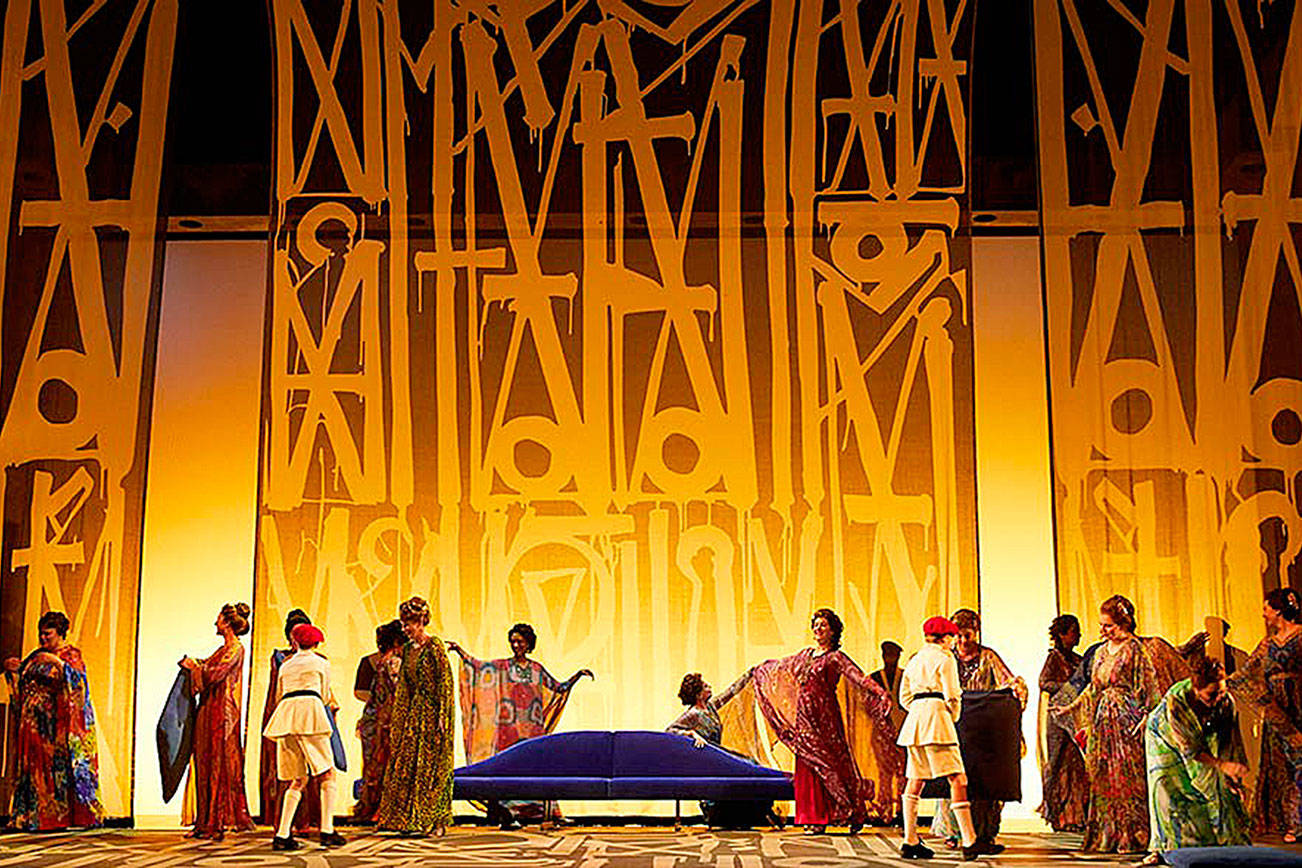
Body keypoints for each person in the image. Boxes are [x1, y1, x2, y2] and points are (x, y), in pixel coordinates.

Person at [1053, 594, 1188, 853]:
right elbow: (1093, 688)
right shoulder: (1101, 651)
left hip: (1127, 720)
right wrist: (1072, 708)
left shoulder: (1135, 649)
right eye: (1101, 625)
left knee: (1128, 778)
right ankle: (1109, 835)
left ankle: (1133, 835)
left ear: (1123, 623)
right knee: (1104, 777)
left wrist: (1147, 716)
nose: (1103, 630)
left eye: (1108, 625)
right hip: (1103, 723)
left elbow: (1149, 684)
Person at [749, 607, 897, 832]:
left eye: (823, 625)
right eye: (815, 625)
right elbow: (780, 668)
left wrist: (880, 692)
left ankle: (846, 812)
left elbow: (858, 677)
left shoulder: (836, 657)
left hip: (826, 718)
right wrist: (760, 671)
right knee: (808, 764)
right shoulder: (805, 655)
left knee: (832, 763)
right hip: (804, 717)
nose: (818, 628)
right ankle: (811, 817)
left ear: (833, 631)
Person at [448, 623, 594, 827]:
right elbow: (478, 667)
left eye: (520, 642)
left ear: (529, 644)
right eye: (513, 642)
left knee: (538, 768)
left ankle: (548, 813)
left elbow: (558, 688)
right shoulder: (503, 667)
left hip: (532, 728)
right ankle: (508, 814)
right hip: (508, 727)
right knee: (508, 768)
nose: (516, 645)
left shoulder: (536, 669)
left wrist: (577, 676)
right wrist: (460, 652)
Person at [931, 609, 1026, 852]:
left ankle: (984, 832)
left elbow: (1007, 681)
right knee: (951, 777)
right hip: (954, 726)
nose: (963, 641)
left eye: (968, 635)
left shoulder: (988, 657)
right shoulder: (946, 657)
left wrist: (1017, 689)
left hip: (982, 729)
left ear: (976, 633)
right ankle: (953, 831)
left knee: (985, 782)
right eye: (959, 636)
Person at [1141, 656, 1250, 864]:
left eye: (1221, 692)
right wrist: (1221, 765)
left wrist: (1231, 775)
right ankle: (1163, 848)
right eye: (1211, 694)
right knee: (1167, 789)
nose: (1218, 698)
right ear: (1196, 689)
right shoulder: (1177, 701)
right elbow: (1191, 750)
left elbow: (1228, 741)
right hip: (1163, 738)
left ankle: (1220, 844)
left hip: (1199, 739)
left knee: (1221, 788)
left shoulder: (1226, 701)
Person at [2, 611, 103, 831]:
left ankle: (55, 817)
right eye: (41, 634)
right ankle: (29, 817)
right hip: (32, 723)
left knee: (53, 769)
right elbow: (24, 676)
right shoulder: (37, 655)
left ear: (60, 633)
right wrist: (14, 669)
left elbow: (79, 684)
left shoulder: (70, 655)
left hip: (55, 725)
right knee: (32, 769)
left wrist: (57, 662)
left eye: (48, 634)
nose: (43, 638)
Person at [896, 616, 980, 861]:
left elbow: (904, 697)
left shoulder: (914, 660)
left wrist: (919, 710)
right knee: (957, 778)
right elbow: (953, 693)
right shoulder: (945, 658)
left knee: (915, 780)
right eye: (952, 637)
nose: (954, 642)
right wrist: (950, 714)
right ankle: (969, 840)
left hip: (915, 723)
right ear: (945, 638)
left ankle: (910, 840)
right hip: (937, 719)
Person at [1227, 587, 1302, 841]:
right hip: (1276, 712)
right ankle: (1292, 823)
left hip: (1299, 706)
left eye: (1266, 609)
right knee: (1281, 767)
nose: (1263, 614)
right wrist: (1219, 681)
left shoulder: (1301, 637)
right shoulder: (1267, 645)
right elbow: (1244, 674)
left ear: (1278, 611)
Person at [376, 596, 455, 836]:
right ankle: (409, 819)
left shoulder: (435, 646)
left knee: (432, 767)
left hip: (433, 713)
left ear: (421, 622)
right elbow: (404, 686)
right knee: (409, 766)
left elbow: (445, 683)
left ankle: (436, 820)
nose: (405, 628)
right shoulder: (409, 649)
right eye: (403, 624)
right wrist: (399, 718)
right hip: (413, 715)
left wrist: (443, 716)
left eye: (409, 623)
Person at [263, 623, 345, 851]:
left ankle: (282, 834)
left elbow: (279, 694)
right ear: (316, 643)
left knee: (297, 779)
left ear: (295, 642)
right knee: (327, 772)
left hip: (287, 715)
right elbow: (325, 694)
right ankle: (327, 830)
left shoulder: (286, 665)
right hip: (310, 712)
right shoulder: (321, 663)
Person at [179, 602, 256, 840]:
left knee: (218, 763)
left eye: (219, 619)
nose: (216, 623)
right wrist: (195, 663)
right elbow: (208, 665)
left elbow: (214, 674)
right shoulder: (223, 649)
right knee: (204, 761)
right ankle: (204, 821)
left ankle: (217, 820)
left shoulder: (236, 649)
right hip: (209, 708)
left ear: (228, 623)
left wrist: (196, 667)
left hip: (223, 713)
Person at [667, 670, 779, 829]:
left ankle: (756, 813)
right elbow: (669, 731)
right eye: (706, 686)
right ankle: (743, 813)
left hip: (718, 755)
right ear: (699, 695)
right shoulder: (693, 714)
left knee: (750, 764)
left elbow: (731, 692)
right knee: (745, 766)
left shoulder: (711, 707)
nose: (710, 687)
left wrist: (750, 675)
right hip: (707, 760)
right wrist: (691, 733)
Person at [259, 609, 322, 830]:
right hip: (289, 716)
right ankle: (287, 826)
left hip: (311, 717)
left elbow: (324, 692)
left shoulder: (318, 660)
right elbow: (276, 693)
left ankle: (309, 822)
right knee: (291, 773)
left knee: (314, 772)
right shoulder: (281, 659)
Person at [1036, 614, 1087, 831]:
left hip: (1075, 716)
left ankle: (1076, 816)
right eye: (1074, 631)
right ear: (1062, 634)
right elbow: (1044, 682)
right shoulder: (1055, 658)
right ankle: (1058, 814)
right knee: (1056, 763)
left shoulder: (1078, 659)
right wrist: (1069, 688)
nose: (1078, 635)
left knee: (1077, 764)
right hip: (1057, 718)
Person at [352, 619, 404, 822]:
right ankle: (383, 810)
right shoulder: (393, 662)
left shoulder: (381, 661)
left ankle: (371, 808)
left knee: (373, 765)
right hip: (386, 720)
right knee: (387, 765)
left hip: (375, 719)